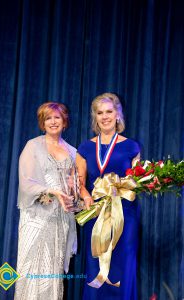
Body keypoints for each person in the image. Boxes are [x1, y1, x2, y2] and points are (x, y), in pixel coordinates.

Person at [76, 93, 141, 300]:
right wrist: (86, 197)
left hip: (125, 214)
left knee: (123, 262)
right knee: (96, 262)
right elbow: (79, 182)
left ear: (118, 115)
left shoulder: (132, 146)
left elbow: (137, 181)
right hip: (97, 213)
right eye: (100, 112)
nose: (105, 116)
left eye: (109, 112)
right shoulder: (85, 148)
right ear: (95, 117)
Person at [15, 102, 77, 300]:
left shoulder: (72, 151)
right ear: (42, 122)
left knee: (53, 270)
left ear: (64, 121)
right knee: (31, 266)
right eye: (48, 118)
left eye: (57, 117)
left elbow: (76, 184)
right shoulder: (33, 145)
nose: (53, 122)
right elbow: (26, 183)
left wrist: (73, 193)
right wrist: (53, 191)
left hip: (60, 219)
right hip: (36, 218)